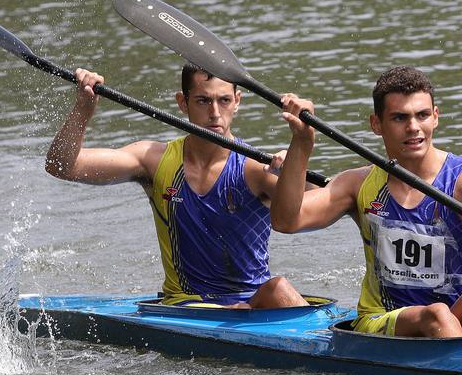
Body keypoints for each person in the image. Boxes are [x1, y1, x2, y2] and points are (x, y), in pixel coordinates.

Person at [270, 66, 462, 338]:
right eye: (400, 118)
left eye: (422, 115)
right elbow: (286, 220)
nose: (413, 127)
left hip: (454, 319)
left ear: (435, 117)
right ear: (376, 124)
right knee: (436, 314)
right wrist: (302, 144)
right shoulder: (358, 184)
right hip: (381, 320)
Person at [45, 64, 308, 308]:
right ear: (183, 103)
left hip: (251, 304)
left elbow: (315, 205)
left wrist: (295, 165)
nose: (215, 113)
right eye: (203, 101)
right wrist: (83, 108)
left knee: (278, 289)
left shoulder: (256, 169)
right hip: (186, 306)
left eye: (224, 100)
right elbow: (62, 166)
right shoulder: (152, 160)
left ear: (237, 102)